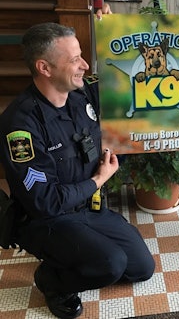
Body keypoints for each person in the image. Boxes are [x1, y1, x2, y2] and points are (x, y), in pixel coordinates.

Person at [0, 22, 155, 319]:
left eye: (81, 55)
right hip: (47, 219)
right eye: (74, 60)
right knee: (110, 264)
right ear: (44, 68)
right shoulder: (20, 125)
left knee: (141, 268)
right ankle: (51, 281)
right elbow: (45, 202)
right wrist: (98, 180)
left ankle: (84, 252)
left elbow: (129, 76)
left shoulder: (81, 93)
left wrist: (114, 27)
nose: (84, 65)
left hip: (88, 208)